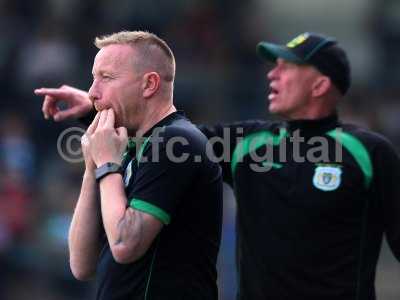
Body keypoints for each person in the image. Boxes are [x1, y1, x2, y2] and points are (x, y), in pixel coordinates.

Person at [35, 32, 400, 300]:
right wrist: (94, 106)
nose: (272, 74)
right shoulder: (248, 144)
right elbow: (162, 133)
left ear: (321, 84)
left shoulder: (368, 153)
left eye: (288, 68)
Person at [36, 30, 223, 300]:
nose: (92, 92)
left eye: (106, 78)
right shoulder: (130, 148)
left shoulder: (176, 142)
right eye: (93, 78)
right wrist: (92, 168)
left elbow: (125, 244)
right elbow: (81, 264)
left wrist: (106, 164)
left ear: (149, 84)